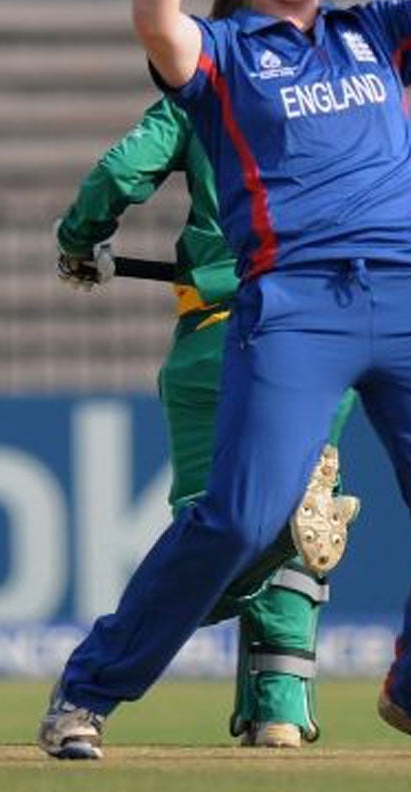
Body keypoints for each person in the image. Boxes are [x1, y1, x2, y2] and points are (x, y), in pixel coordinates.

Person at [39, 0, 411, 760]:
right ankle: (86, 692)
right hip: (297, 302)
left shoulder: (374, 33)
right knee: (240, 519)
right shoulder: (221, 56)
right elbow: (150, 16)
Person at [53, 97, 359, 749]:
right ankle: (278, 709)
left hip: (224, 333)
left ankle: (96, 679)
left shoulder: (207, 88)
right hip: (329, 332)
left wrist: (80, 239)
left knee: (215, 528)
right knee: (296, 517)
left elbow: (118, 172)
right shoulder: (354, 91)